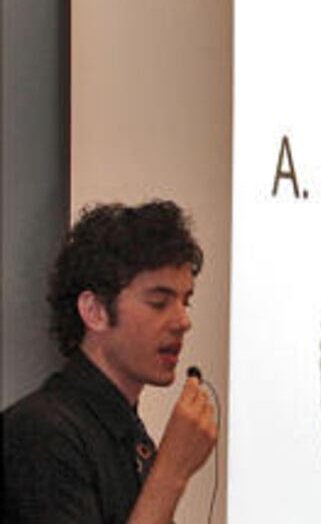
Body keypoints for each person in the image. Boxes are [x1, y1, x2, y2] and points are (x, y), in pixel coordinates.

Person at [2, 200, 219, 523]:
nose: (182, 321)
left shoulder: (126, 434)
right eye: (159, 303)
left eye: (185, 301)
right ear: (94, 311)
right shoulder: (42, 433)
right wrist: (171, 473)